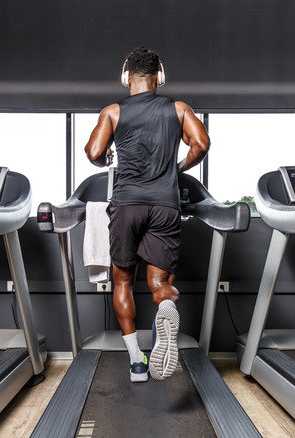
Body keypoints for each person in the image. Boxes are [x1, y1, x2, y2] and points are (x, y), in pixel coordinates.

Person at [85, 46, 210, 382]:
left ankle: (136, 362)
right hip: (165, 205)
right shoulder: (179, 108)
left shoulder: (112, 112)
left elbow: (93, 152)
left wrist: (107, 155)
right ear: (160, 77)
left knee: (123, 280)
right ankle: (167, 304)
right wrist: (178, 168)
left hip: (127, 205)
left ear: (126, 77)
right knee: (159, 283)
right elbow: (201, 144)